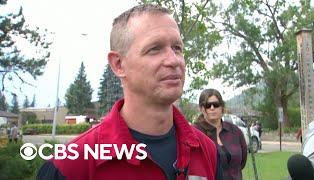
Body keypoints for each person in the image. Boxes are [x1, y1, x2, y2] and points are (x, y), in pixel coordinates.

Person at [37, 4, 220, 180]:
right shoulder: (70, 166)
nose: (173, 60)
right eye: (155, 49)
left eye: (177, 48)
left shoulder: (207, 152)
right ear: (118, 64)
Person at [194, 89, 247, 180]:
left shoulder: (235, 131)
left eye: (216, 104)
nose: (212, 108)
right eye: (208, 105)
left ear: (222, 107)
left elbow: (242, 161)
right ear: (202, 109)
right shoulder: (195, 133)